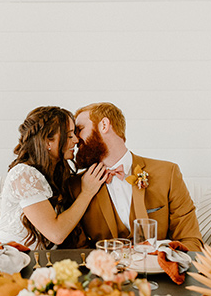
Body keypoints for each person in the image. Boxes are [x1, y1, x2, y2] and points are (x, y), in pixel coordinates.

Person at [72, 102, 203, 251]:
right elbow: (78, 253)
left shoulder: (168, 173)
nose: (75, 139)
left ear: (104, 125)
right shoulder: (75, 187)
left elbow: (191, 241)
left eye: (80, 129)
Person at [0, 106, 106, 248]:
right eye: (69, 135)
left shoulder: (55, 174)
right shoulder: (23, 174)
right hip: (5, 259)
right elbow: (56, 234)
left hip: (37, 262)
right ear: (47, 142)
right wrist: (87, 193)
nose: (76, 140)